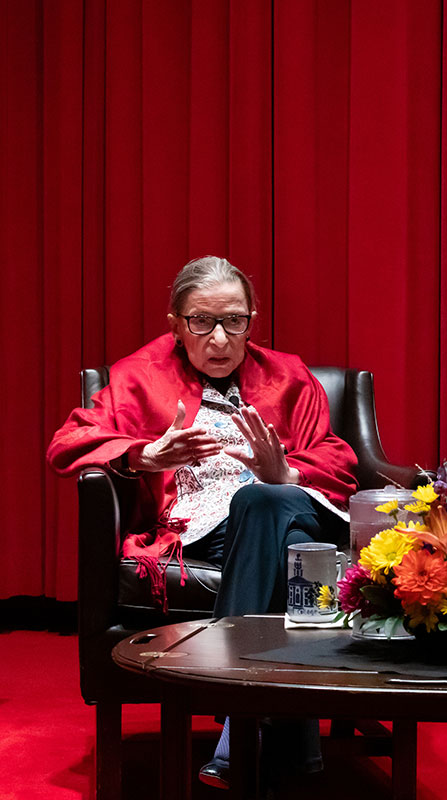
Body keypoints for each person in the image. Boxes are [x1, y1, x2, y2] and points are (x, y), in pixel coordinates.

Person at [48, 256, 357, 790]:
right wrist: (144, 455)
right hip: (209, 528)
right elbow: (66, 443)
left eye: (233, 321)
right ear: (175, 323)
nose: (218, 338)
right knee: (293, 543)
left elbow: (338, 460)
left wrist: (285, 470)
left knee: (264, 500)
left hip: (301, 505)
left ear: (251, 320)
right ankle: (294, 752)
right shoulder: (137, 376)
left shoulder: (288, 374)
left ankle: (233, 720)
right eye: (201, 322)